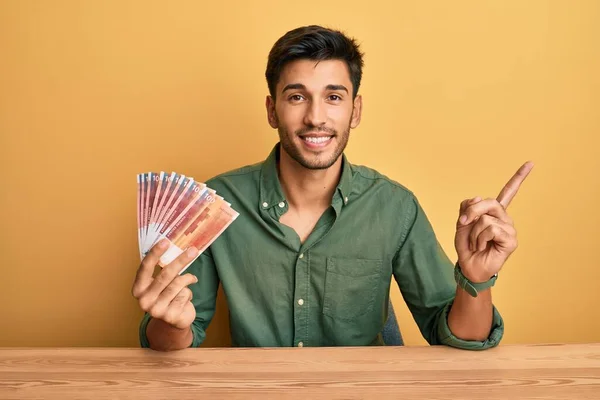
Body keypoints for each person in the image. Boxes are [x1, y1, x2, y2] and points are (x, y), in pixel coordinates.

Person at [131, 25, 533, 351]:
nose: (316, 117)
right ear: (272, 110)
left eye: (334, 97)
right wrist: (170, 325)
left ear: (355, 110)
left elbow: (457, 337)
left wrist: (476, 280)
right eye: (296, 97)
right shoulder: (215, 203)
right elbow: (176, 340)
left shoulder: (394, 206)